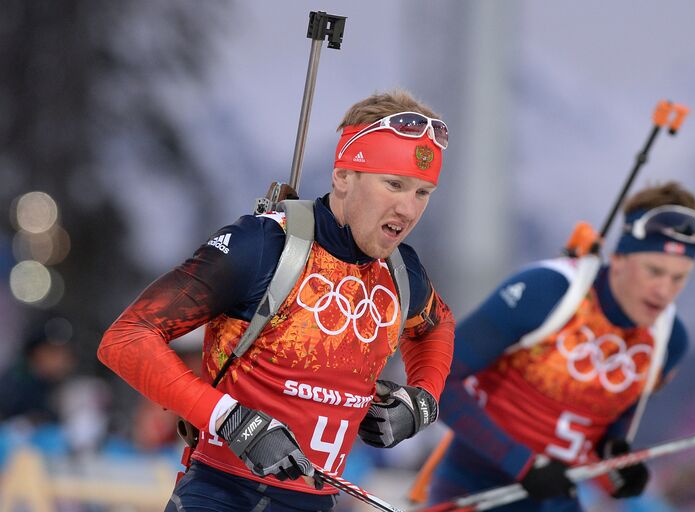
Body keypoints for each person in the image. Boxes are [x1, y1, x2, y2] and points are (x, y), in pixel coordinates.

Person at [98, 89, 455, 511]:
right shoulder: (266, 245)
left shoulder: (401, 272)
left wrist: (422, 401)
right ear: (343, 176)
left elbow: (437, 328)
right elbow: (126, 338)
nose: (408, 209)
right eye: (393, 184)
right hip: (221, 494)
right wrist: (228, 419)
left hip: (318, 501)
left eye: (422, 192)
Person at [428, 182, 695, 511]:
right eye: (654, 271)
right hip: (476, 489)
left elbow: (608, 432)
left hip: (556, 498)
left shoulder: (669, 340)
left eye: (679, 278)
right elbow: (440, 380)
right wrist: (522, 462)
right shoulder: (549, 291)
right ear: (619, 258)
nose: (664, 291)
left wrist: (618, 467)